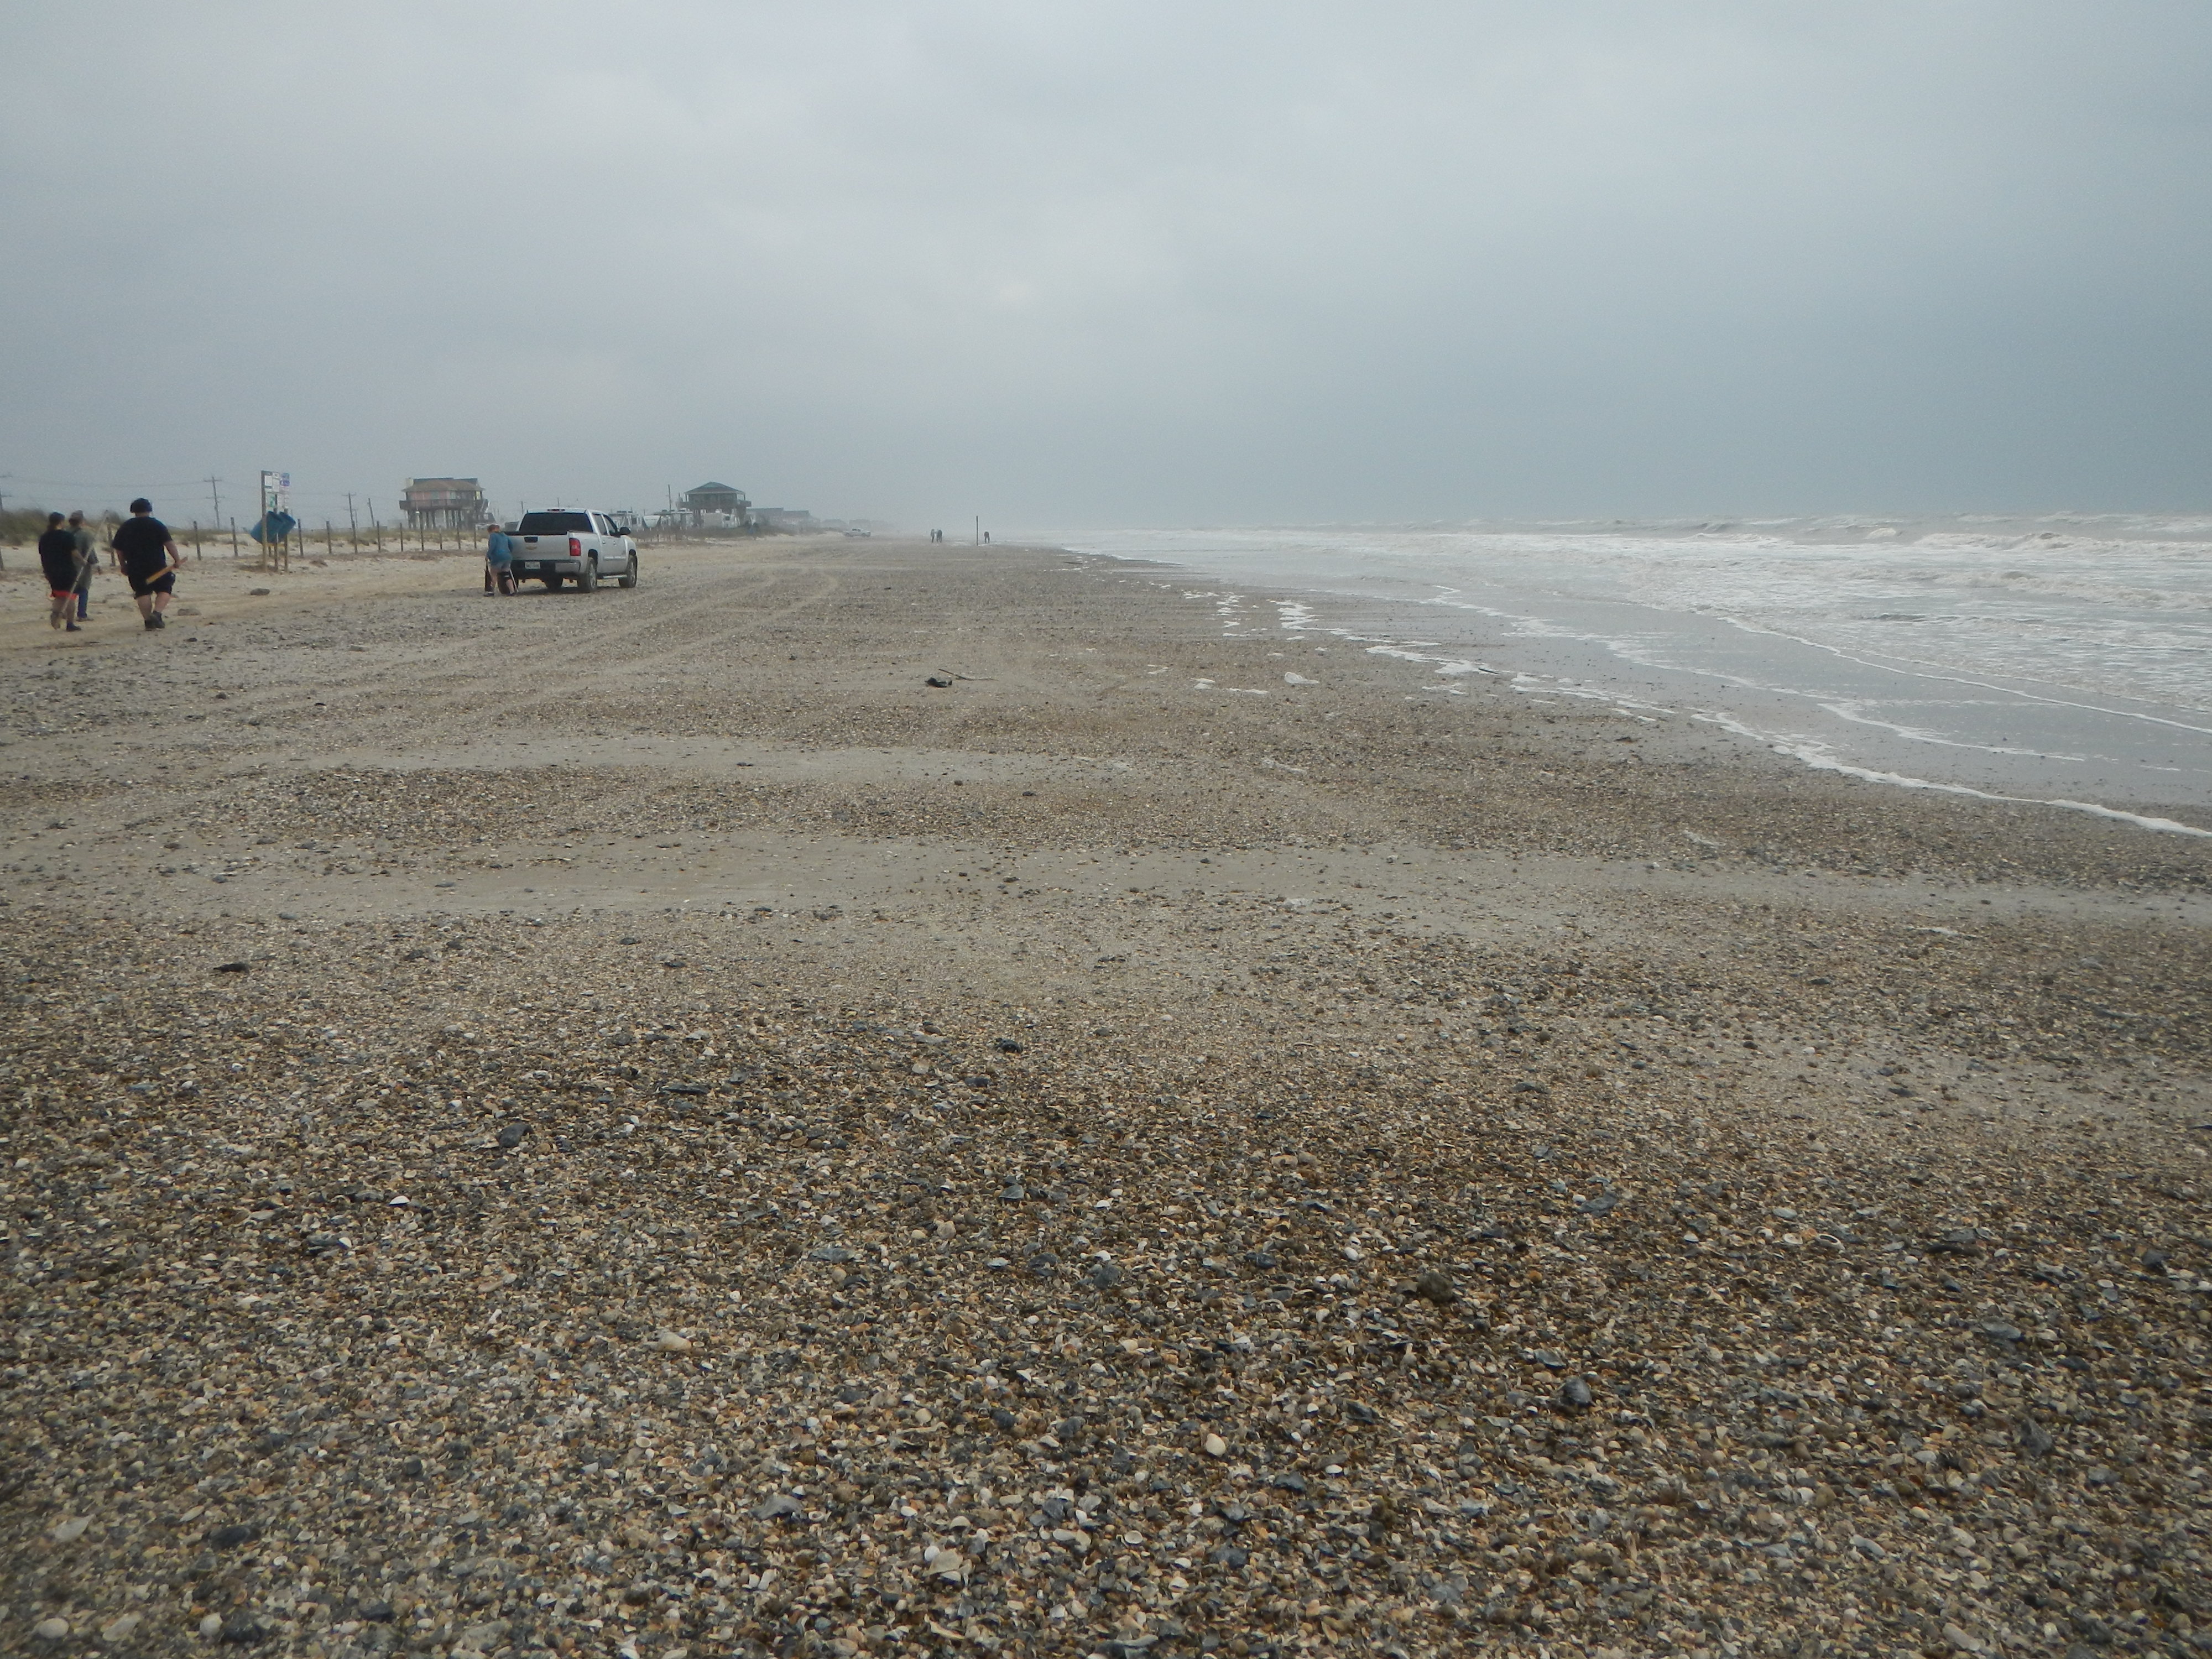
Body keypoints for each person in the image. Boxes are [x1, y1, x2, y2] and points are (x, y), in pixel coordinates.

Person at [111, 498, 180, 631]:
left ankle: (148, 622)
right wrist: (177, 559)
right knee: (164, 588)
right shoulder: (157, 525)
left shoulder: (126, 526)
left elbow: (119, 549)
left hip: (135, 565)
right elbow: (169, 544)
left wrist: (123, 565)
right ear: (149, 509)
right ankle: (157, 613)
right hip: (157, 564)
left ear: (133, 510)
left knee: (142, 592)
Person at [38, 513, 83, 632]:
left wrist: (46, 570)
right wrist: (83, 561)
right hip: (67, 569)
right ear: (61, 522)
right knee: (70, 596)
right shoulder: (67, 536)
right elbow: (74, 552)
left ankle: (56, 616)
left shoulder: (44, 537)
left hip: (51, 570)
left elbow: (42, 555)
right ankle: (70, 624)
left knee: (58, 595)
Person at [67, 512, 95, 621]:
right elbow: (90, 550)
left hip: (66, 565)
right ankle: (82, 614)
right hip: (81, 565)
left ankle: (67, 612)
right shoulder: (85, 534)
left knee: (70, 589)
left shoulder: (65, 532)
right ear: (81, 521)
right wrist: (94, 563)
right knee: (83, 589)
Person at [484, 520, 514, 595]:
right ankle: (512, 591)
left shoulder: (493, 536)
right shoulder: (505, 535)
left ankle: (491, 591)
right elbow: (511, 546)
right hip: (507, 557)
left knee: (494, 574)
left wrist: (488, 555)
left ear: (491, 530)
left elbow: (492, 546)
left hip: (498, 557)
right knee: (506, 574)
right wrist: (508, 552)